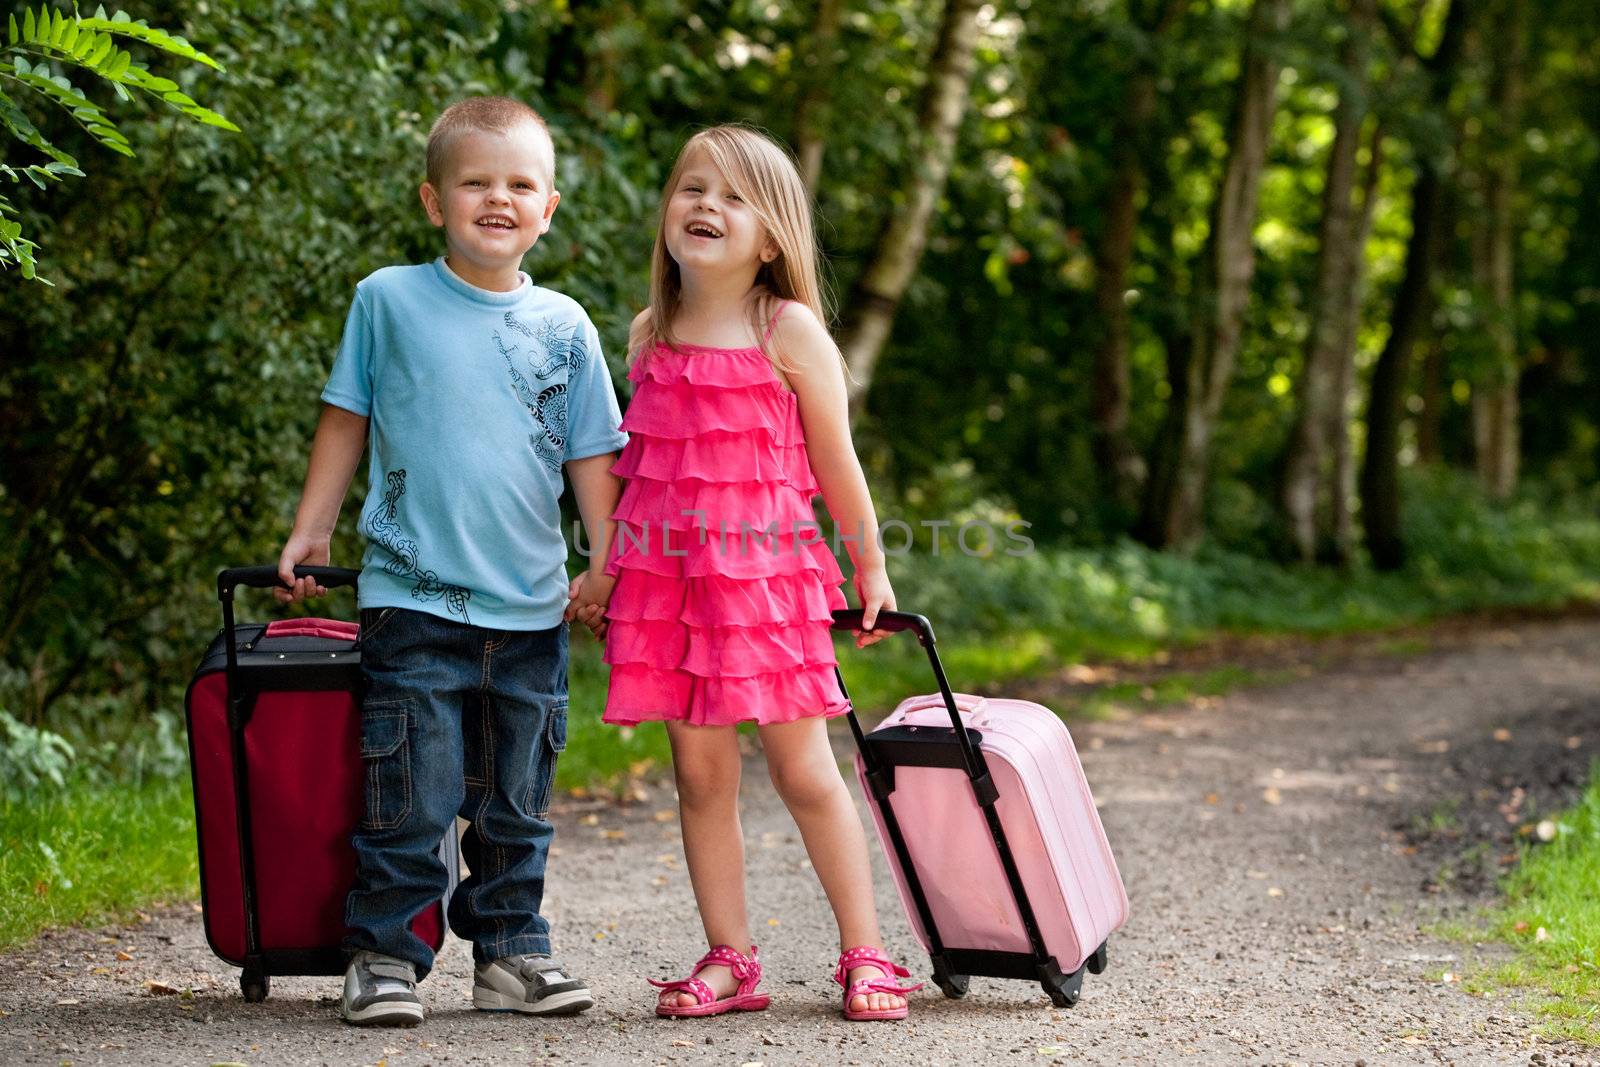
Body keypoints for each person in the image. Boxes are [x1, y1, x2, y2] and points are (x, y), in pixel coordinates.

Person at [276, 95, 626, 1027]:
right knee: (412, 795)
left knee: (517, 802)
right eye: (476, 181)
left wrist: (606, 560)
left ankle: (512, 953)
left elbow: (592, 452)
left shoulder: (567, 326)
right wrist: (312, 528)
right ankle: (387, 954)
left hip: (531, 610)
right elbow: (346, 415)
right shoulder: (387, 300)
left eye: (520, 184)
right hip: (413, 600)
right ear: (435, 201)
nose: (498, 199)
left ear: (549, 209)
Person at [579, 124, 921, 1022]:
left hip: (765, 589)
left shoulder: (789, 328)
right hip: (668, 589)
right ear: (667, 213)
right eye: (692, 188)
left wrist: (869, 564)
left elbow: (838, 464)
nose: (706, 206)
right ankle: (731, 957)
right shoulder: (650, 331)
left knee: (805, 770)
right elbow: (637, 471)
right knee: (701, 778)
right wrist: (607, 570)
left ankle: (867, 951)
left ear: (771, 237)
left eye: (733, 197)